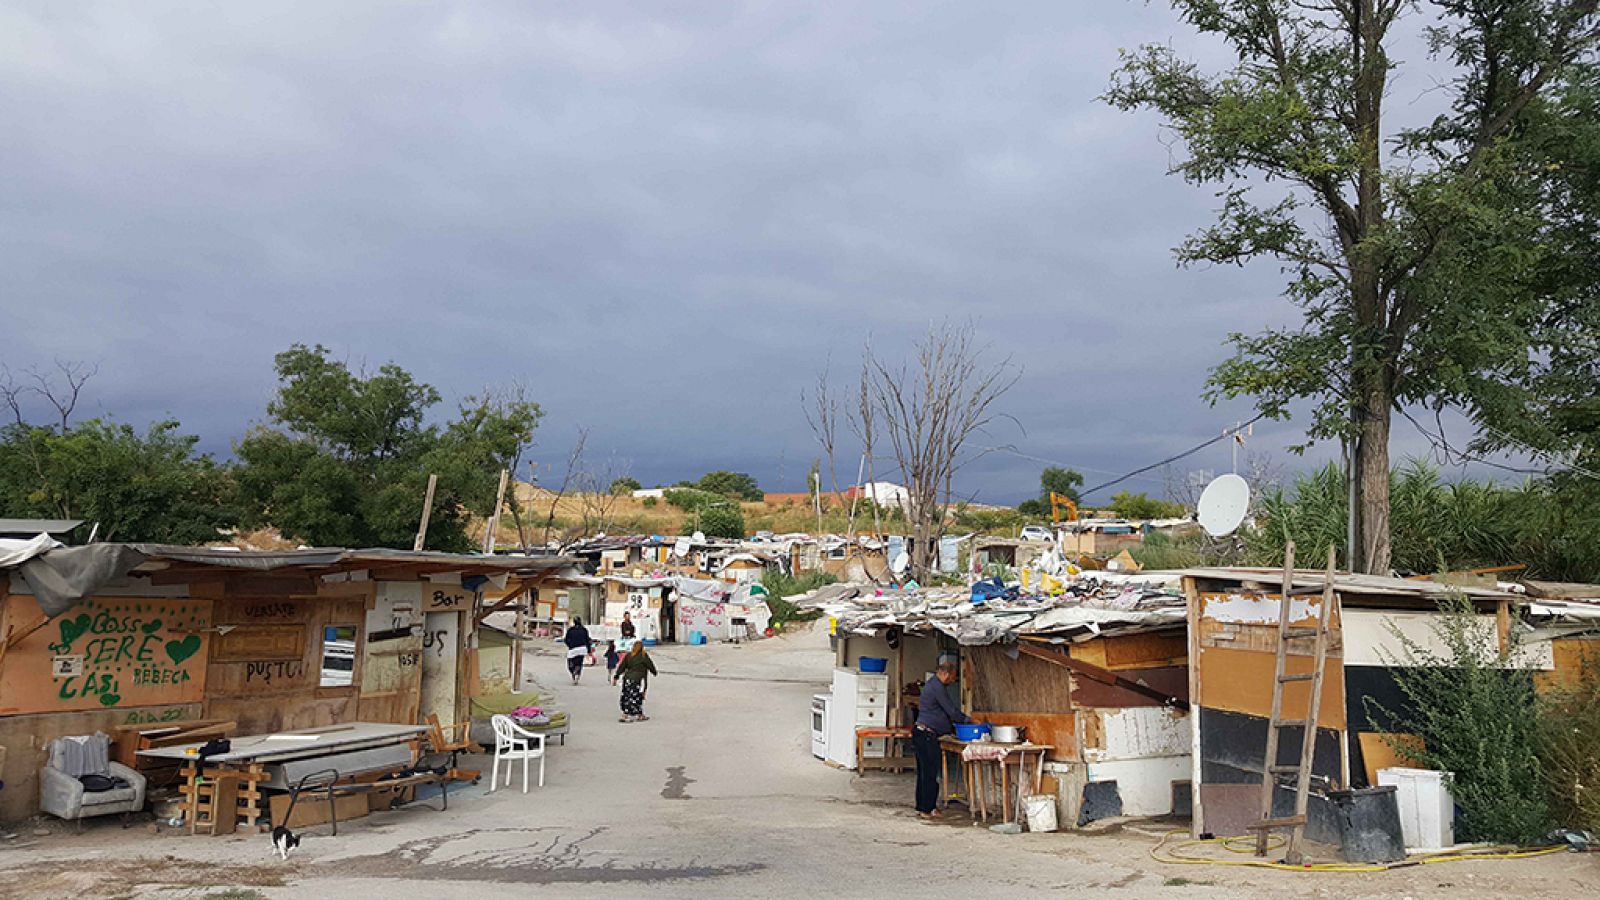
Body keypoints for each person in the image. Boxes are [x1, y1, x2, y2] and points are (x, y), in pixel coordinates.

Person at [913, 662, 970, 819]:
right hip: (927, 734)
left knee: (924, 772)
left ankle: (922, 806)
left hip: (922, 732)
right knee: (930, 772)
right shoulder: (937, 687)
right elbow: (951, 710)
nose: (953, 681)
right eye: (952, 677)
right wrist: (968, 720)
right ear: (945, 674)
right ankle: (928, 808)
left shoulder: (933, 684)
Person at [616, 639, 657, 723]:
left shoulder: (629, 655)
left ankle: (637, 715)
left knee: (627, 696)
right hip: (637, 680)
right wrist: (654, 672)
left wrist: (616, 675)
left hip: (627, 679)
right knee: (636, 697)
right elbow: (650, 664)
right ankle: (627, 715)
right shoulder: (643, 656)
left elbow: (622, 666)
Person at [563, 616, 592, 685]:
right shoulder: (584, 630)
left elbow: (566, 639)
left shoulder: (570, 630)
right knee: (579, 663)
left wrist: (570, 645)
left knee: (570, 663)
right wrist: (589, 650)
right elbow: (587, 640)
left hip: (573, 649)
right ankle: (577, 675)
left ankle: (574, 673)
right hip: (582, 649)